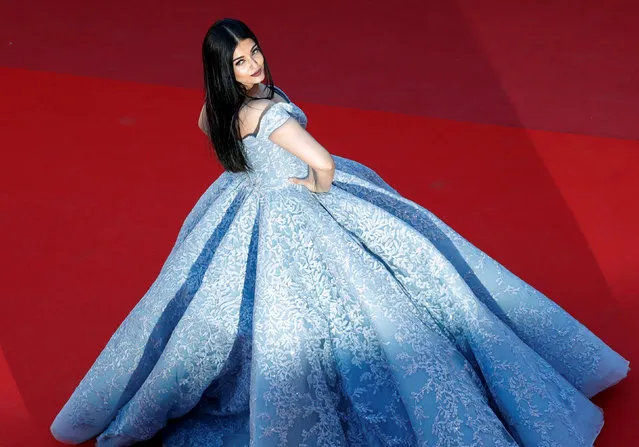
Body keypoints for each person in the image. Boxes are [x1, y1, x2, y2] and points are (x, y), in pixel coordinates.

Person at [50, 18, 629, 447]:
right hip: (296, 207)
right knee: (396, 284)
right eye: (242, 63)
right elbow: (322, 161)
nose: (254, 67)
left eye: (254, 54)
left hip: (242, 203)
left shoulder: (221, 110)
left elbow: (206, 125)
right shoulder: (268, 113)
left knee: (231, 306)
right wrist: (317, 186)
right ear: (226, 71)